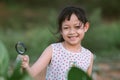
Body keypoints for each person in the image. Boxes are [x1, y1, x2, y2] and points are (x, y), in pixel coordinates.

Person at [18, 6, 94, 80]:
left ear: (86, 27)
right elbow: (31, 74)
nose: (72, 32)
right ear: (61, 30)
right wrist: (26, 66)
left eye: (77, 27)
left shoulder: (88, 56)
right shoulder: (53, 50)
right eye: (66, 28)